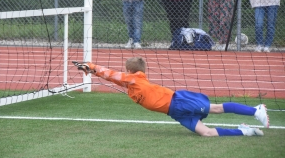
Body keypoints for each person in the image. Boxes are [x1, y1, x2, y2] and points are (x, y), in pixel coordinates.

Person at [74, 57, 269, 137]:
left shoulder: (137, 80)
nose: (125, 73)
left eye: (127, 70)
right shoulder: (130, 83)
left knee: (216, 108)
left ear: (133, 71)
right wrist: (93, 72)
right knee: (206, 133)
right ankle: (245, 131)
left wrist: (92, 67)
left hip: (179, 102)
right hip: (175, 113)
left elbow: (113, 75)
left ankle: (256, 111)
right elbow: (116, 79)